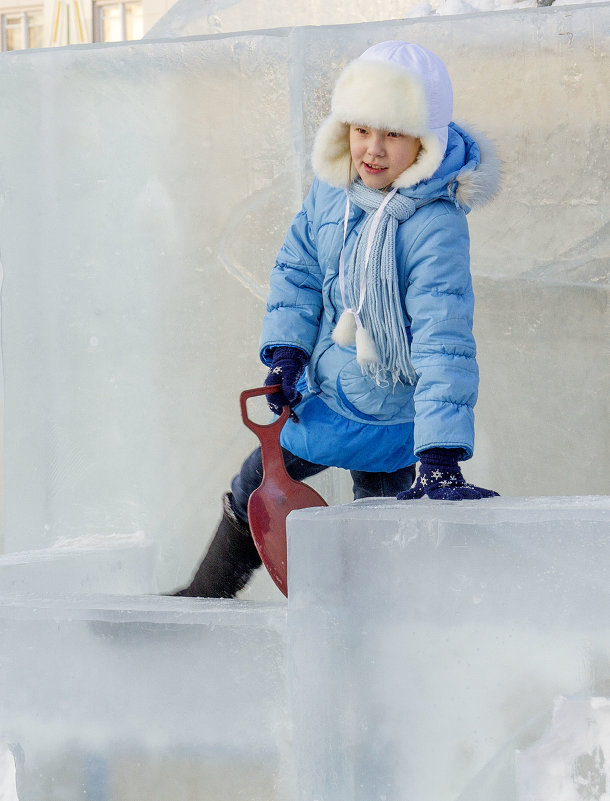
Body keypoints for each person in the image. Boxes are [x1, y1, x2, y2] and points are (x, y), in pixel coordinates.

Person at [175, 40, 501, 598]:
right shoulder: (332, 194)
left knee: (373, 532)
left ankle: (362, 633)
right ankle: (205, 597)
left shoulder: (433, 225)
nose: (372, 150)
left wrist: (440, 450)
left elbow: (443, 340)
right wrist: (288, 352)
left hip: (391, 419)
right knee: (255, 483)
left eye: (393, 133)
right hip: (325, 399)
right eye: (361, 130)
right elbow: (297, 274)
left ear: (425, 140)